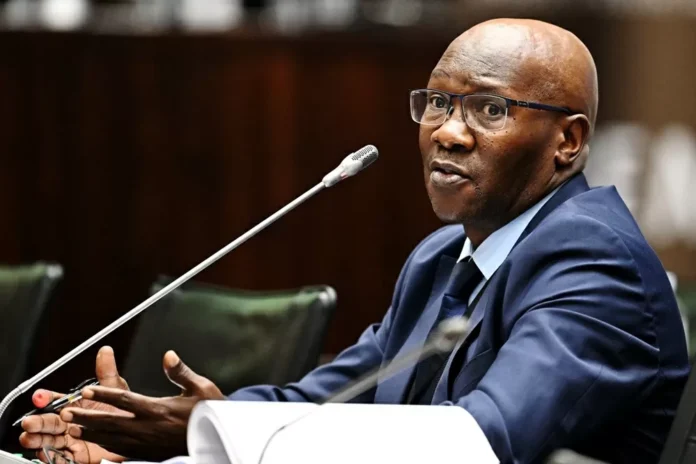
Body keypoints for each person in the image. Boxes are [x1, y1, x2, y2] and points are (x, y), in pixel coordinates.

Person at [19, 18, 690, 464]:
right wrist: (162, 427)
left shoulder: (594, 263)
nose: (448, 132)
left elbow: (479, 442)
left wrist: (212, 434)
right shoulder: (441, 259)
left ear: (567, 141)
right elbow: (324, 403)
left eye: (489, 109)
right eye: (437, 102)